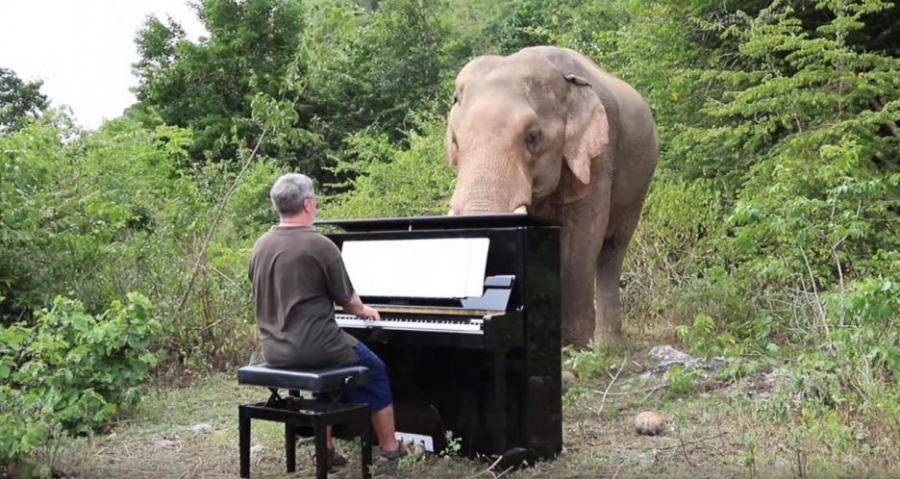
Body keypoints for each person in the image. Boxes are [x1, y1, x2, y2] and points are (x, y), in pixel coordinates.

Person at [249, 173, 404, 468]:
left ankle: (326, 450)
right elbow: (348, 301)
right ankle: (390, 450)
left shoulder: (260, 245)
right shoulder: (320, 245)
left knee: (329, 372)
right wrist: (366, 311)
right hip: (317, 347)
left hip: (274, 349)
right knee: (377, 369)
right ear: (308, 204)